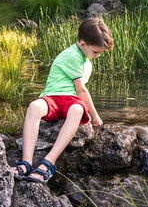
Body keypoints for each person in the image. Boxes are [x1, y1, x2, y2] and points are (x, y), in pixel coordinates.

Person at [11, 17, 114, 184]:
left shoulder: (85, 60)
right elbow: (81, 90)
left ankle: (48, 162)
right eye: (96, 51)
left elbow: (77, 94)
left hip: (70, 102)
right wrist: (95, 117)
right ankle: (26, 162)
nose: (98, 55)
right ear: (82, 44)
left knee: (77, 110)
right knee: (34, 107)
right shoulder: (72, 56)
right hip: (53, 97)